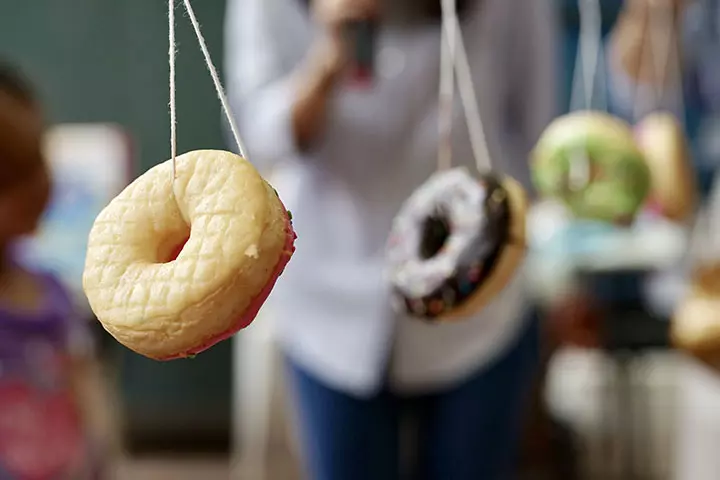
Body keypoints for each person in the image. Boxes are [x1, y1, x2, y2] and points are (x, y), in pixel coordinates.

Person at [225, 0, 558, 478]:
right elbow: (255, 136)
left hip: (481, 310)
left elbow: (535, 138)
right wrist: (328, 60)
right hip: (330, 307)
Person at [0, 63, 116, 479]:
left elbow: (92, 403)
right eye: (10, 179)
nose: (41, 184)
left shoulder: (52, 294)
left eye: (37, 160)